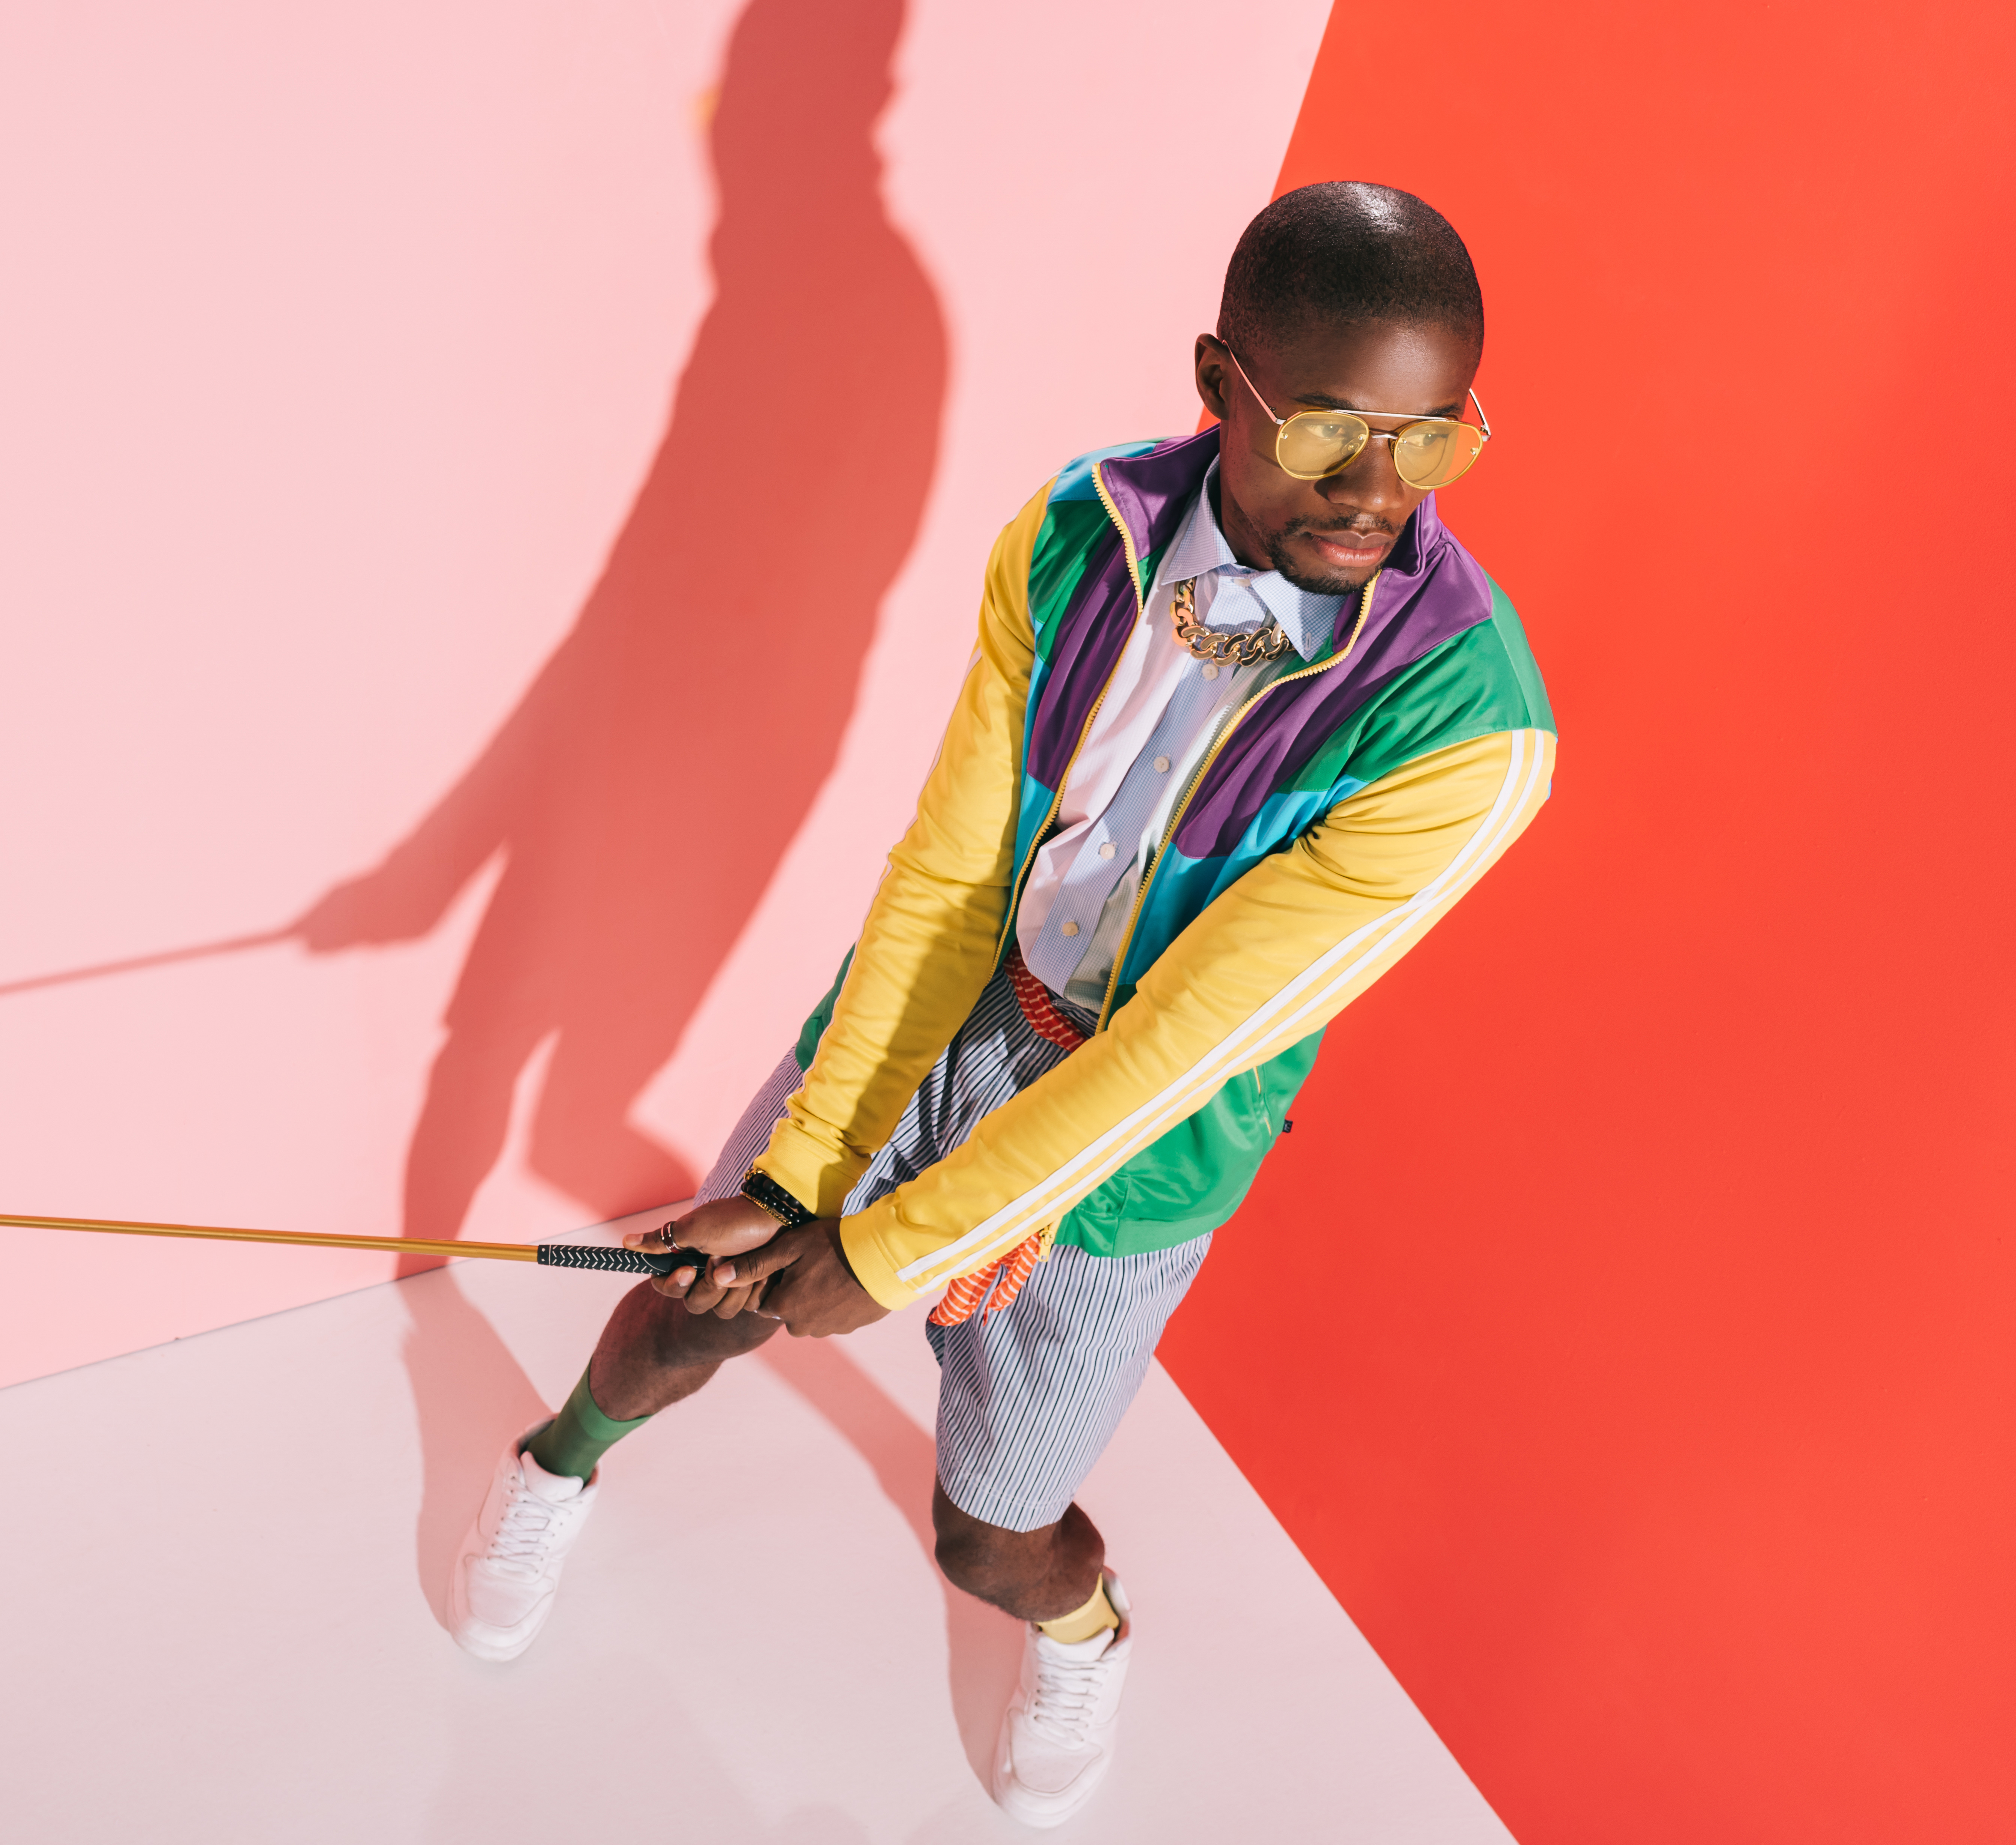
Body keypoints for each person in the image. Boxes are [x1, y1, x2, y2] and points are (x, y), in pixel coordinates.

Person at [446, 181, 1555, 1829]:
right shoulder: (1074, 530)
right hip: (961, 1009)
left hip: (1141, 1149)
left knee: (986, 1531)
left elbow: (1179, 1051)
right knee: (705, 1287)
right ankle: (548, 1468)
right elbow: (953, 878)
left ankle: (1088, 1637)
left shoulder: (1473, 737)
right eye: (1328, 431)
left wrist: (888, 1250)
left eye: (1433, 440)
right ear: (1218, 379)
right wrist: (810, 1169)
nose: (1378, 492)